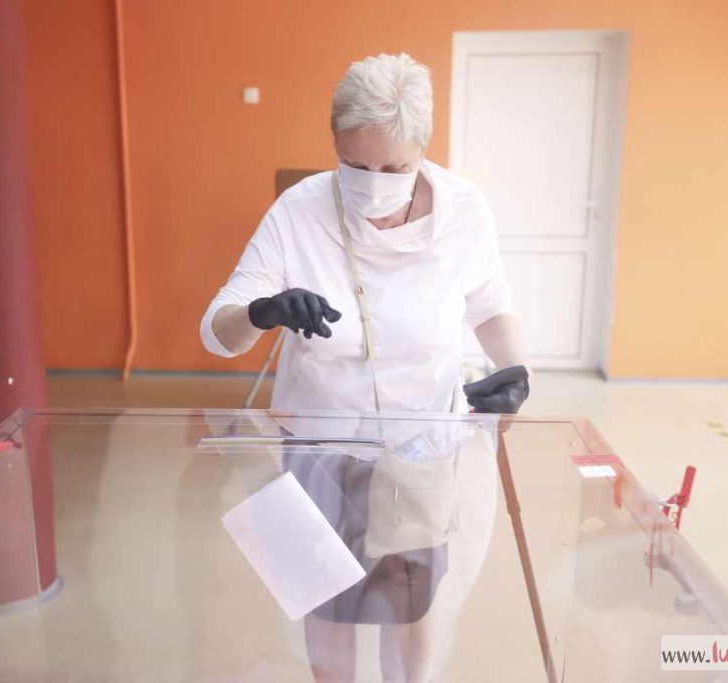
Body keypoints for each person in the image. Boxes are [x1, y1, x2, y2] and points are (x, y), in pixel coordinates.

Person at [200, 53, 531, 681]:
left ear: (423, 150)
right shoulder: (300, 211)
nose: (374, 182)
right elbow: (218, 333)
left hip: (419, 449)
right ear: (334, 143)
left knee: (410, 609)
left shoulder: (463, 211)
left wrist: (516, 372)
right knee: (325, 605)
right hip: (318, 449)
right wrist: (262, 311)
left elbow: (492, 309)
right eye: (356, 165)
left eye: (394, 168)